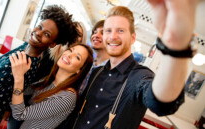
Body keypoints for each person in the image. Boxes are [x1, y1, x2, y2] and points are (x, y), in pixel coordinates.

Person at [72, 0, 199, 128]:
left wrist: (175, 46)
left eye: (120, 31)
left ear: (132, 38)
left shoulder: (139, 76)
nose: (113, 36)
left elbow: (159, 103)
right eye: (108, 31)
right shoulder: (96, 72)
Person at [0, 5, 79, 129]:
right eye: (39, 27)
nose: (38, 33)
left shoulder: (16, 64)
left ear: (53, 44)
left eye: (47, 34)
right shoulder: (27, 51)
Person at [9, 43, 93, 129]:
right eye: (70, 50)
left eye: (77, 57)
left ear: (79, 70)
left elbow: (19, 114)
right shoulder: (49, 81)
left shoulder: (67, 97)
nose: (69, 55)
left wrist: (19, 78)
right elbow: (23, 92)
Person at [78, 20, 109, 95]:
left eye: (103, 33)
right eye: (95, 32)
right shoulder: (88, 63)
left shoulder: (110, 73)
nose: (96, 35)